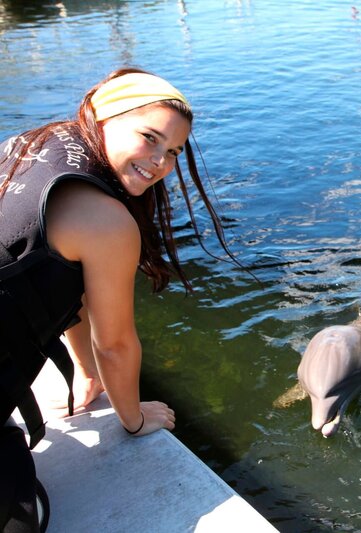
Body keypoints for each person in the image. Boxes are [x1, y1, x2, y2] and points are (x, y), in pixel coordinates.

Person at [0, 68, 236, 531]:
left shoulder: (31, 146)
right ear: (101, 116)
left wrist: (87, 373)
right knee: (25, 516)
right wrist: (132, 419)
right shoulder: (107, 221)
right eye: (149, 137)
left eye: (172, 152)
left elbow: (60, 280)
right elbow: (117, 345)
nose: (161, 162)